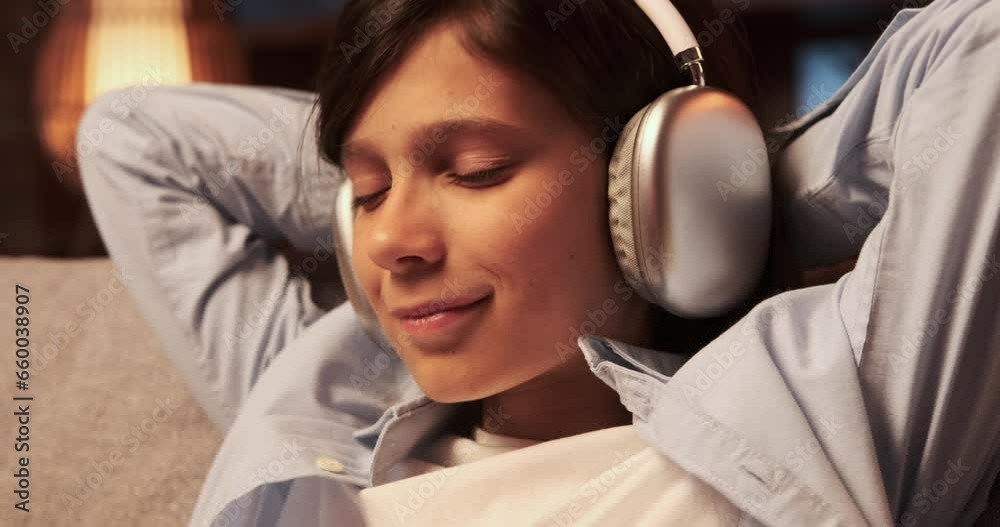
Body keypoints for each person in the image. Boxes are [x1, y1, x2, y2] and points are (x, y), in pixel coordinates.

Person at [76, 0, 1000, 525]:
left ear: (646, 183)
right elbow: (135, 140)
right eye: (365, 193)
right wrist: (387, 167)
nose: (394, 241)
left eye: (473, 170)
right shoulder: (325, 403)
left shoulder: (835, 402)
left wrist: (725, 179)